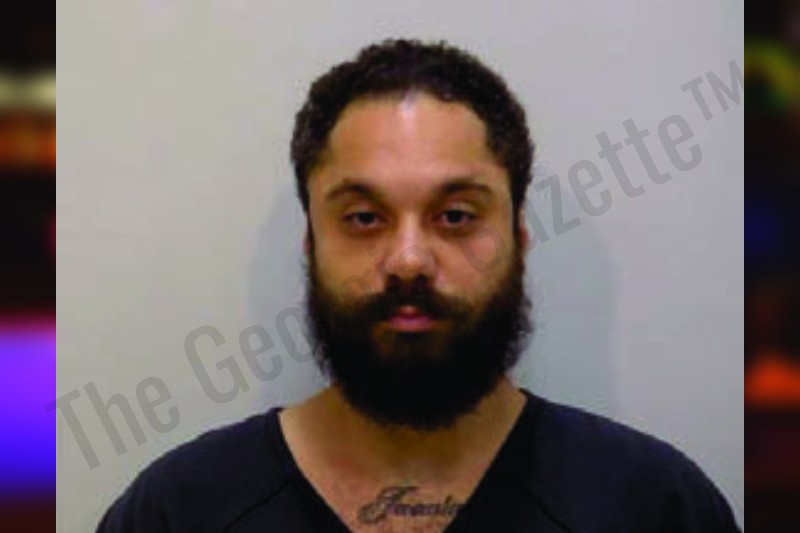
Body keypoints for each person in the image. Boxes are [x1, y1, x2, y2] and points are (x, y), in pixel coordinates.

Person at [98, 39, 740, 532]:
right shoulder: (178, 512)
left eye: (455, 216)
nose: (408, 261)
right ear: (311, 241)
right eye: (363, 218)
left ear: (518, 236)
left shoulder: (655, 508)